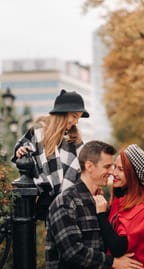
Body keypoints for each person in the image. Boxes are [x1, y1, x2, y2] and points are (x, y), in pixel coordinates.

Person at [46, 140, 144, 269]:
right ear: (89, 166)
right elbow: (73, 251)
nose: (111, 172)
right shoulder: (65, 202)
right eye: (107, 166)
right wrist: (113, 263)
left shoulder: (103, 204)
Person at [11, 89, 89, 220]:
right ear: (63, 113)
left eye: (78, 118)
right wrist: (21, 150)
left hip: (70, 202)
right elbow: (23, 146)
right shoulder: (38, 131)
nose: (76, 122)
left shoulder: (75, 140)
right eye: (74, 116)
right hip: (46, 199)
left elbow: (82, 169)